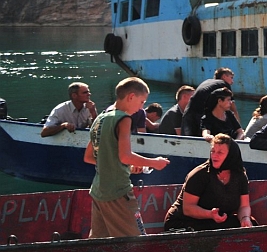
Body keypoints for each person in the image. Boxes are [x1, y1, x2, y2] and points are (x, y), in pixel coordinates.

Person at [83, 77, 170, 238]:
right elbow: (125, 156)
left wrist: (125, 166)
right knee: (136, 242)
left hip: (98, 191)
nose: (141, 107)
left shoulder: (100, 118)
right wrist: (154, 162)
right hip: (118, 192)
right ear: (131, 97)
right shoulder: (124, 119)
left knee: (98, 243)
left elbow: (89, 156)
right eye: (142, 102)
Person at [163, 134, 253, 231]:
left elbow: (244, 206)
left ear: (231, 155)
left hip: (215, 221)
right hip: (184, 222)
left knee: (250, 224)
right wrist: (210, 214)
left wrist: (245, 218)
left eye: (220, 152)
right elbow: (188, 208)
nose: (214, 155)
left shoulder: (239, 176)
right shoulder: (200, 174)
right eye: (213, 151)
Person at [181, 68, 234, 137]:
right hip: (200, 115)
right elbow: (232, 108)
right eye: (231, 78)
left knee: (187, 140)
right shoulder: (224, 85)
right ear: (224, 76)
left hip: (188, 112)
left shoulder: (208, 82)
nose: (232, 82)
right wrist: (237, 126)